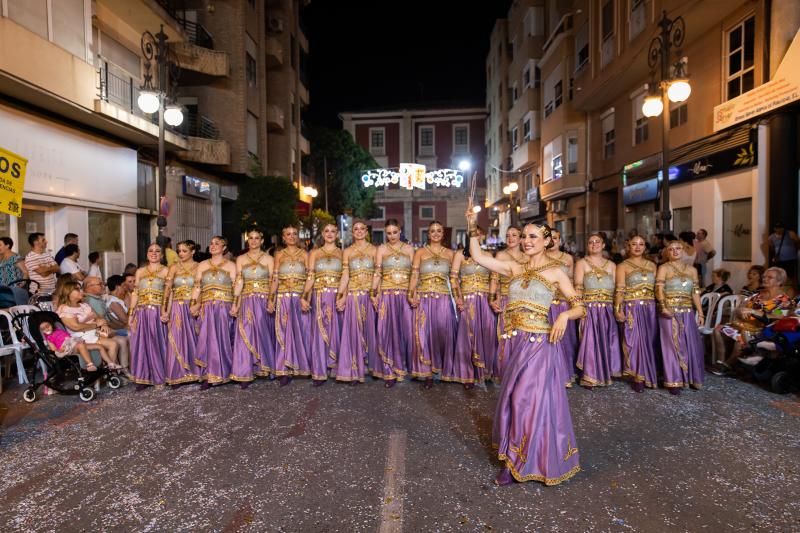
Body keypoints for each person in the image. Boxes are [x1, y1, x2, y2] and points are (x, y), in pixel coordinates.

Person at [466, 210, 583, 487]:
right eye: (525, 236)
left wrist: (565, 315)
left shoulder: (557, 272)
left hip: (541, 344)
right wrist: (472, 225)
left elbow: (579, 306)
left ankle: (517, 463)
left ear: (547, 241)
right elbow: (480, 257)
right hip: (515, 342)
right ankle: (516, 458)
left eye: (533, 236)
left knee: (523, 400)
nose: (527, 241)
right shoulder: (514, 268)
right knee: (512, 400)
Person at [710, 267, 793, 376]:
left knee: (741, 336)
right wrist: (741, 311)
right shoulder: (758, 294)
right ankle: (721, 362)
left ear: (779, 281)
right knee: (718, 329)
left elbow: (777, 316)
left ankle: (729, 365)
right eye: (764, 277)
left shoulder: (782, 300)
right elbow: (740, 309)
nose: (765, 279)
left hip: (763, 329)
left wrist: (754, 312)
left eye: (770, 277)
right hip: (745, 324)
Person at [444, 226, 497, 389]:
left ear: (482, 236)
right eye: (474, 234)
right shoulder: (460, 255)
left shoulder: (488, 255)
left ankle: (486, 371)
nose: (477, 236)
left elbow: (494, 278)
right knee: (467, 334)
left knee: (487, 333)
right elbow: (453, 278)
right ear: (469, 237)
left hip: (485, 301)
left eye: (480, 234)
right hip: (467, 300)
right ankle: (467, 375)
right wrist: (458, 297)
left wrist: (493, 298)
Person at [407, 221, 456, 388]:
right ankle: (426, 373)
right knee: (423, 335)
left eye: (439, 231)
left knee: (443, 333)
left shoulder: (451, 254)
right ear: (428, 234)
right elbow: (414, 276)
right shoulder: (420, 252)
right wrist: (411, 294)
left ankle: (444, 370)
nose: (435, 233)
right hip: (423, 298)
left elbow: (455, 280)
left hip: (443, 298)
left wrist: (459, 299)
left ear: (443, 234)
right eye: (432, 231)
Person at [656, 240, 705, 394]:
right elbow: (659, 289)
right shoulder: (663, 268)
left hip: (687, 310)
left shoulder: (692, 270)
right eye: (671, 249)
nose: (675, 251)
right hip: (669, 311)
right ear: (667, 252)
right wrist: (663, 306)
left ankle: (691, 378)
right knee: (671, 344)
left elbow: (695, 292)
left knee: (690, 342)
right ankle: (673, 380)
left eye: (678, 249)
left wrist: (700, 311)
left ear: (683, 250)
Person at [370, 219, 414, 387]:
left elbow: (414, 275)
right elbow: (377, 273)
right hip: (386, 295)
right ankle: (389, 372)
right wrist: (374, 294)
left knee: (406, 332)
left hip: (404, 295)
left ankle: (405, 368)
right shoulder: (381, 249)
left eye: (395, 232)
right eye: (389, 233)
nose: (392, 236)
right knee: (387, 331)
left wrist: (413, 293)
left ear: (400, 231)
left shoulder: (410, 249)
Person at [574, 233, 621, 389]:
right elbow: (578, 287)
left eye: (597, 242)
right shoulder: (581, 263)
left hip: (607, 308)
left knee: (607, 339)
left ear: (603, 245)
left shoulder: (612, 265)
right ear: (588, 246)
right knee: (590, 341)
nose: (594, 244)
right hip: (590, 308)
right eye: (590, 242)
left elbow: (617, 290)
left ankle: (605, 373)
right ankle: (589, 376)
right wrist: (579, 308)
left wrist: (616, 309)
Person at [191, 236, 237, 389]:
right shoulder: (203, 265)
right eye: (211, 243)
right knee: (206, 339)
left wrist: (236, 305)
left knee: (222, 339)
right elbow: (197, 287)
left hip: (224, 306)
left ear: (224, 248)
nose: (213, 245)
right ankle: (208, 375)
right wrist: (194, 303)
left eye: (217, 243)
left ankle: (224, 372)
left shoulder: (231, 265)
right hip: (206, 306)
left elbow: (236, 288)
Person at [335, 220, 378, 385]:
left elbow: (377, 274)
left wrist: (375, 294)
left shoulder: (374, 250)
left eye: (362, 229)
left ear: (366, 231)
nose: (359, 231)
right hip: (353, 294)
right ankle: (354, 370)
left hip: (369, 295)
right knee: (353, 332)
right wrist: (341, 296)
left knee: (371, 331)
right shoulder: (347, 251)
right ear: (352, 232)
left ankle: (374, 367)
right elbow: (345, 275)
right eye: (356, 229)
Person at [230, 229, 274, 388]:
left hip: (263, 300)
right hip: (247, 299)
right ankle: (244, 372)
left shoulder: (269, 258)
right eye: (251, 238)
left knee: (262, 332)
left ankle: (264, 367)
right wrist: (235, 302)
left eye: (257, 238)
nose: (254, 241)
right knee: (244, 332)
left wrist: (271, 300)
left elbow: (272, 281)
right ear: (247, 240)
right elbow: (239, 282)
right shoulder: (240, 259)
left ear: (262, 241)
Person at [615, 235, 659, 392]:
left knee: (649, 341)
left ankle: (650, 375)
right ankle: (637, 376)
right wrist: (617, 309)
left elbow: (658, 289)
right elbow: (620, 289)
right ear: (629, 247)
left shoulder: (653, 265)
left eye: (641, 244)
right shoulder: (622, 266)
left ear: (645, 247)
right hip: (632, 307)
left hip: (650, 308)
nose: (638, 247)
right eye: (634, 244)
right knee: (634, 340)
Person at [269, 225, 311, 386]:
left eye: (294, 234)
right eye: (288, 234)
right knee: (284, 331)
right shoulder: (279, 255)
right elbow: (275, 279)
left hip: (299, 297)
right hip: (283, 298)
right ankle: (284, 370)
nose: (292, 236)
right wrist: (271, 299)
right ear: (283, 237)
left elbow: (309, 277)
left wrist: (305, 297)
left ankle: (302, 367)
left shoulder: (305, 254)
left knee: (302, 331)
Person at [302, 223, 343, 386]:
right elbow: (310, 277)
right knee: (318, 333)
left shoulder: (342, 253)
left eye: (333, 231)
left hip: (336, 296)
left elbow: (347, 278)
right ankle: (319, 372)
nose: (330, 234)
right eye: (327, 231)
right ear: (322, 233)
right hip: (318, 296)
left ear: (338, 234)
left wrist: (343, 296)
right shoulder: (314, 253)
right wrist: (304, 297)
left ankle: (338, 368)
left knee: (337, 331)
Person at [128, 244, 169, 390]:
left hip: (158, 311)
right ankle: (143, 378)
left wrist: (166, 311)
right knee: (141, 343)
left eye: (158, 251)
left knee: (157, 343)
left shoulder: (166, 271)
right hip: (142, 311)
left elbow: (169, 293)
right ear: (146, 254)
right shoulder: (140, 271)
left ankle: (160, 377)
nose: (154, 253)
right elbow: (135, 294)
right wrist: (131, 314)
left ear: (162, 255)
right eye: (150, 251)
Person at [55, 280, 120, 368]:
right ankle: (109, 371)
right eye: (77, 289)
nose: (81, 291)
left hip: (93, 333)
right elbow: (76, 327)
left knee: (117, 341)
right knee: (113, 344)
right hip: (80, 338)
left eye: (80, 288)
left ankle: (110, 370)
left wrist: (103, 324)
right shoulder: (65, 309)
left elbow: (98, 318)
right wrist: (97, 325)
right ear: (68, 292)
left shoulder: (83, 305)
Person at [162, 240, 200, 387]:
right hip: (177, 306)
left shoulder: (199, 267)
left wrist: (198, 305)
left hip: (192, 306)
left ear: (193, 252)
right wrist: (165, 309)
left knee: (194, 336)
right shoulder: (173, 268)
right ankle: (176, 374)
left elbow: (201, 288)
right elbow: (168, 291)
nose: (181, 254)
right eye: (179, 251)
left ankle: (196, 372)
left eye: (184, 251)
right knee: (176, 337)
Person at [490, 226, 525, 380]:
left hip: (524, 302)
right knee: (506, 336)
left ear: (521, 237)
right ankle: (506, 372)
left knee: (523, 336)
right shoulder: (500, 256)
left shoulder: (528, 257)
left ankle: (522, 370)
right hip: (506, 299)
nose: (511, 238)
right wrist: (494, 298)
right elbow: (494, 279)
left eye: (514, 235)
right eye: (508, 235)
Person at [547, 229, 578, 386]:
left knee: (566, 340)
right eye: (549, 238)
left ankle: (565, 374)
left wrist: (574, 302)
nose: (552, 240)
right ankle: (548, 374)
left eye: (556, 238)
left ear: (559, 240)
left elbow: (571, 280)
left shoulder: (568, 258)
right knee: (548, 339)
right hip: (546, 304)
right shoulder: (540, 257)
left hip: (564, 304)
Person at [82, 276, 130, 371]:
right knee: (123, 339)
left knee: (126, 337)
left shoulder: (97, 299)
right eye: (100, 284)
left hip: (105, 330)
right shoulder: (90, 301)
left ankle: (124, 369)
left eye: (103, 283)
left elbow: (108, 320)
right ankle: (116, 371)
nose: (103, 286)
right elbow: (101, 322)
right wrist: (117, 329)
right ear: (89, 287)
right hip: (96, 333)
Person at [40, 318, 119, 371]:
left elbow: (69, 336)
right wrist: (59, 349)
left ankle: (111, 364)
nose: (46, 328)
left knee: (99, 346)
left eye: (48, 326)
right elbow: (53, 350)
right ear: (42, 331)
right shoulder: (49, 339)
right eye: (43, 328)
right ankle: (90, 365)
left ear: (51, 325)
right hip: (67, 348)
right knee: (81, 345)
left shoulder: (58, 329)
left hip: (74, 342)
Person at [767, 222, 799, 287]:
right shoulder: (771, 237)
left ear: (784, 228)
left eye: (781, 227)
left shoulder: (790, 234)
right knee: (780, 276)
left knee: (792, 276)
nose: (779, 229)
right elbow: (772, 247)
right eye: (777, 227)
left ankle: (794, 290)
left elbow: (798, 243)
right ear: (774, 228)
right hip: (780, 260)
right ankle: (782, 289)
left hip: (791, 259)